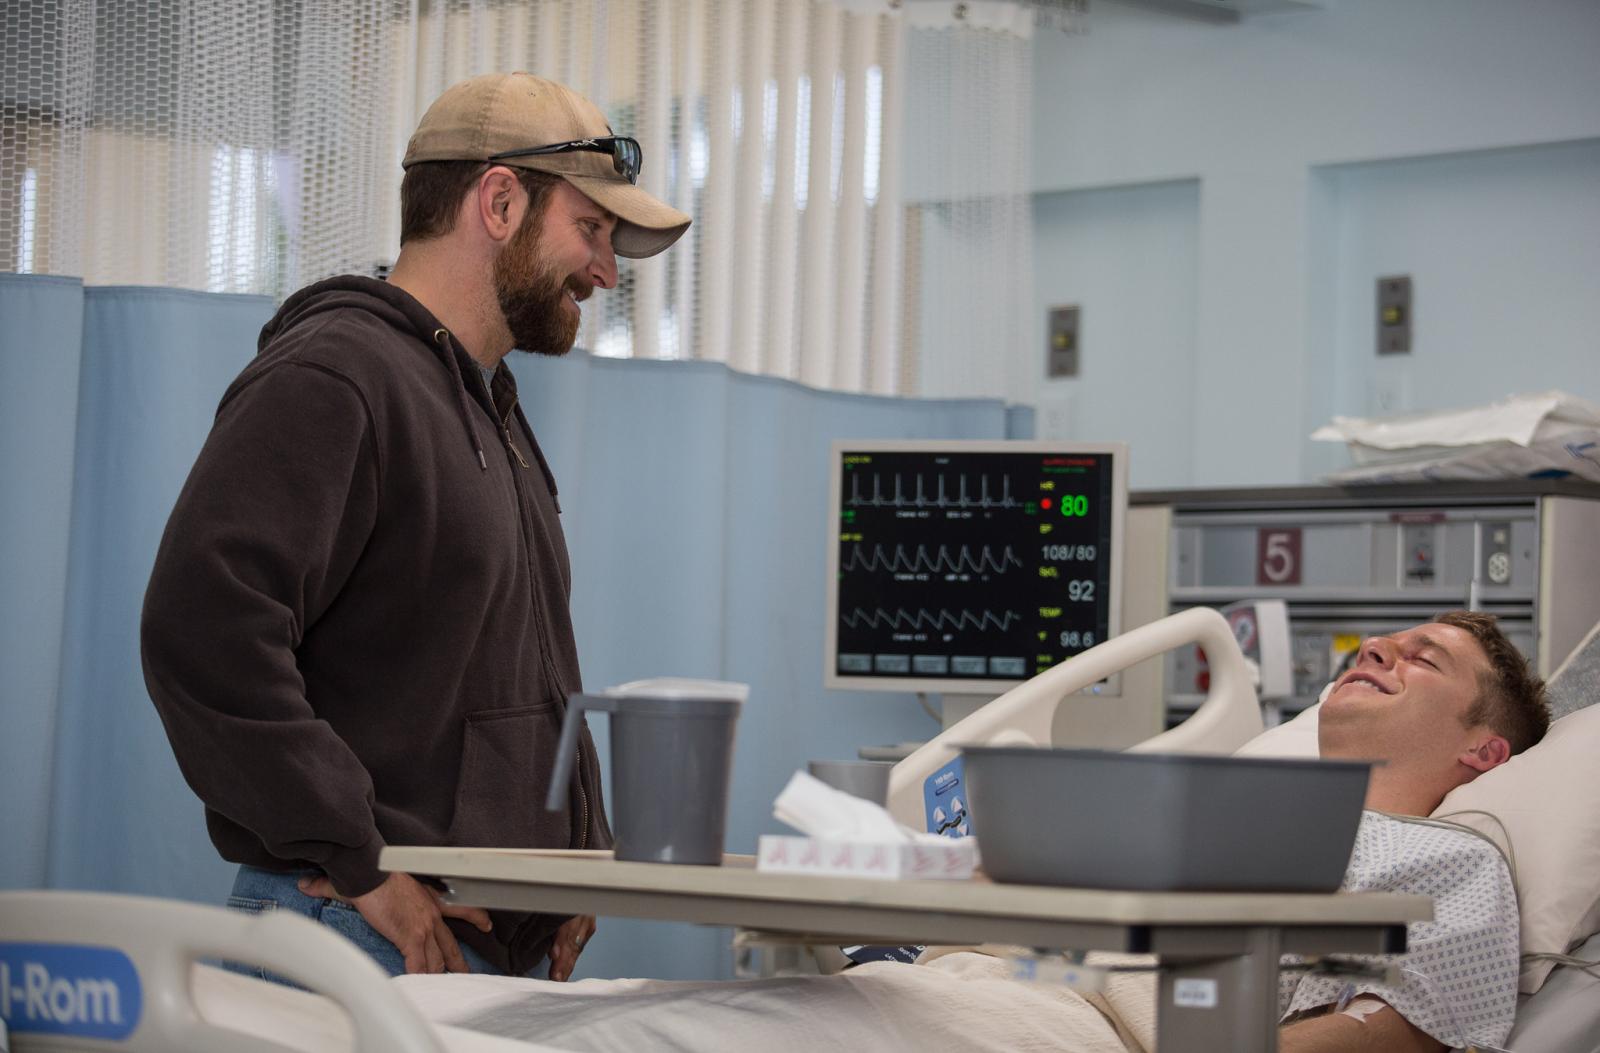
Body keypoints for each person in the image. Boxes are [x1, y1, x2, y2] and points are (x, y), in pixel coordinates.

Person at [396, 611, 1548, 1053]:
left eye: (1426, 659)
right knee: (574, 1015)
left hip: (1082, 1028)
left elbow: (1397, 1041)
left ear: (1483, 752)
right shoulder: (1211, 801)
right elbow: (1011, 910)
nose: (1380, 650)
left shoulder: (1450, 866)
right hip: (966, 986)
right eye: (1384, 640)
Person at [140, 72, 690, 982]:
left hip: (455, 947)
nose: (605, 271)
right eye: (591, 230)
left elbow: (515, 666)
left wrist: (577, 850)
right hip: (358, 933)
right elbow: (202, 635)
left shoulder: (491, 411)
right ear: (500, 202)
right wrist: (361, 858)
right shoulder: (336, 376)